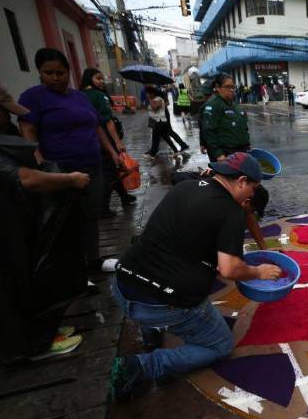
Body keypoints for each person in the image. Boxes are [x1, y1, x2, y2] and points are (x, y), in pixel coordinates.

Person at [110, 152, 282, 401]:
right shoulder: (230, 212)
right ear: (242, 181)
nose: (251, 197)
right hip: (160, 304)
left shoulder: (186, 187)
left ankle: (151, 334)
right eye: (253, 189)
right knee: (220, 345)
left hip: (123, 286)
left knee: (166, 270)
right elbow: (230, 269)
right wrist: (258, 271)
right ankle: (142, 366)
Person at [0, 76, 92, 361]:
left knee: (21, 276)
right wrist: (70, 179)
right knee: (4, 284)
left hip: (7, 222)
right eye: (2, 110)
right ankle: (29, 346)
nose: (7, 117)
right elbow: (27, 179)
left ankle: (38, 330)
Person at [19, 48, 122, 273]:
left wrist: (112, 152)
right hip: (61, 171)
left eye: (60, 72)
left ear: (69, 72)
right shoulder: (33, 97)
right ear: (40, 73)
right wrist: (43, 166)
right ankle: (73, 271)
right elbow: (28, 132)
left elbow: (96, 127)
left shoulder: (80, 97)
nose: (55, 78)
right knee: (65, 221)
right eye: (48, 73)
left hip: (92, 165)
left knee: (91, 214)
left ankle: (93, 260)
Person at [80, 68, 135, 217]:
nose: (102, 81)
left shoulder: (80, 95)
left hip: (88, 139)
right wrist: (117, 142)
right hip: (104, 139)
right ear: (89, 79)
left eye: (102, 79)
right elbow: (108, 122)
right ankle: (102, 206)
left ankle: (124, 197)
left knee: (113, 169)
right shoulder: (99, 96)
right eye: (98, 78)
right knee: (110, 171)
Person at [202, 73, 251, 161]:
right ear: (218, 87)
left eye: (233, 87)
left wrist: (247, 144)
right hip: (226, 154)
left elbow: (243, 126)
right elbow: (209, 132)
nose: (232, 90)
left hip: (242, 151)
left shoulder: (233, 104)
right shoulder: (213, 105)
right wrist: (218, 154)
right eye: (228, 87)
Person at [143, 86, 189, 163]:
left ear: (152, 93)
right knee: (165, 136)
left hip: (160, 121)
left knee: (156, 137)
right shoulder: (154, 99)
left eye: (147, 93)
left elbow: (155, 108)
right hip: (155, 121)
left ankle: (152, 153)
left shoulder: (159, 99)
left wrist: (149, 99)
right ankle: (176, 149)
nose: (146, 95)